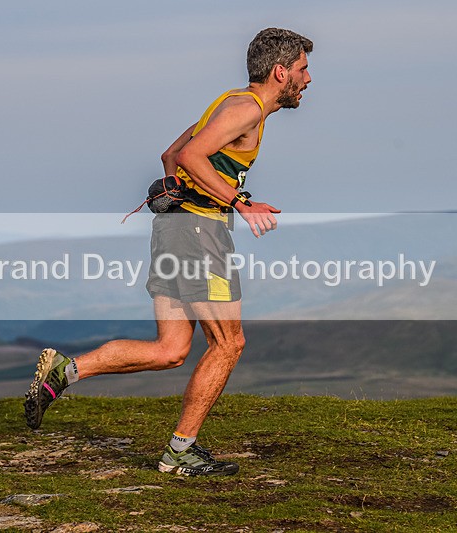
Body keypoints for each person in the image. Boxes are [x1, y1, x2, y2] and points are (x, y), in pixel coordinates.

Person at [24, 27, 313, 476]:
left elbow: (171, 154)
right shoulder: (246, 110)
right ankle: (180, 452)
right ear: (281, 72)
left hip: (176, 230)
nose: (307, 78)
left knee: (170, 349)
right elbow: (193, 154)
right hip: (200, 234)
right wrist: (239, 201)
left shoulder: (230, 102)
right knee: (228, 342)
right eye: (302, 69)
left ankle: (66, 371)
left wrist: (181, 190)